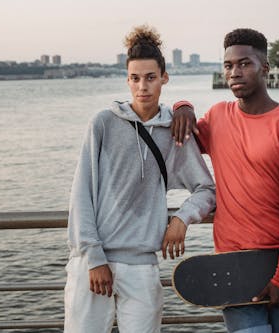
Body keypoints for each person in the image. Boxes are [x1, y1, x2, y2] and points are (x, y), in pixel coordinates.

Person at [64, 25, 215, 333]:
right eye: (135, 78)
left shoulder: (175, 133)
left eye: (150, 77)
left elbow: (207, 189)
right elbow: (81, 193)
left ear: (164, 78)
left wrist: (181, 218)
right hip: (93, 263)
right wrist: (94, 257)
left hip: (142, 265)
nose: (142, 86)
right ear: (127, 79)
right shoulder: (103, 124)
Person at [172, 28, 279, 333]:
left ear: (265, 67)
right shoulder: (218, 116)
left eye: (244, 64)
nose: (235, 72)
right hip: (233, 264)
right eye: (228, 65)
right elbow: (181, 138)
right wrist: (181, 105)